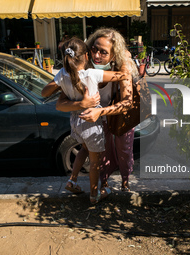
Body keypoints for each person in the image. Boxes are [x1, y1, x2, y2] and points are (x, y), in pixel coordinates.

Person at [41, 37, 130, 204]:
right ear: (87, 56)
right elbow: (122, 76)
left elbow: (44, 93)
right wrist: (124, 57)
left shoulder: (62, 74)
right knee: (95, 162)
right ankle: (94, 195)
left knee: (84, 149)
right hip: (91, 122)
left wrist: (58, 83)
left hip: (75, 121)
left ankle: (72, 180)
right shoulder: (92, 74)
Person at [57, 28, 139, 192]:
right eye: (94, 49)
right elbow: (60, 103)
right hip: (97, 120)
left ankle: (125, 181)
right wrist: (82, 105)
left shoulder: (122, 67)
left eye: (103, 52)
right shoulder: (81, 65)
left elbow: (127, 103)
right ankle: (104, 183)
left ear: (114, 55)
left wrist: (100, 111)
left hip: (119, 116)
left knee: (124, 149)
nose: (96, 55)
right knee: (103, 151)